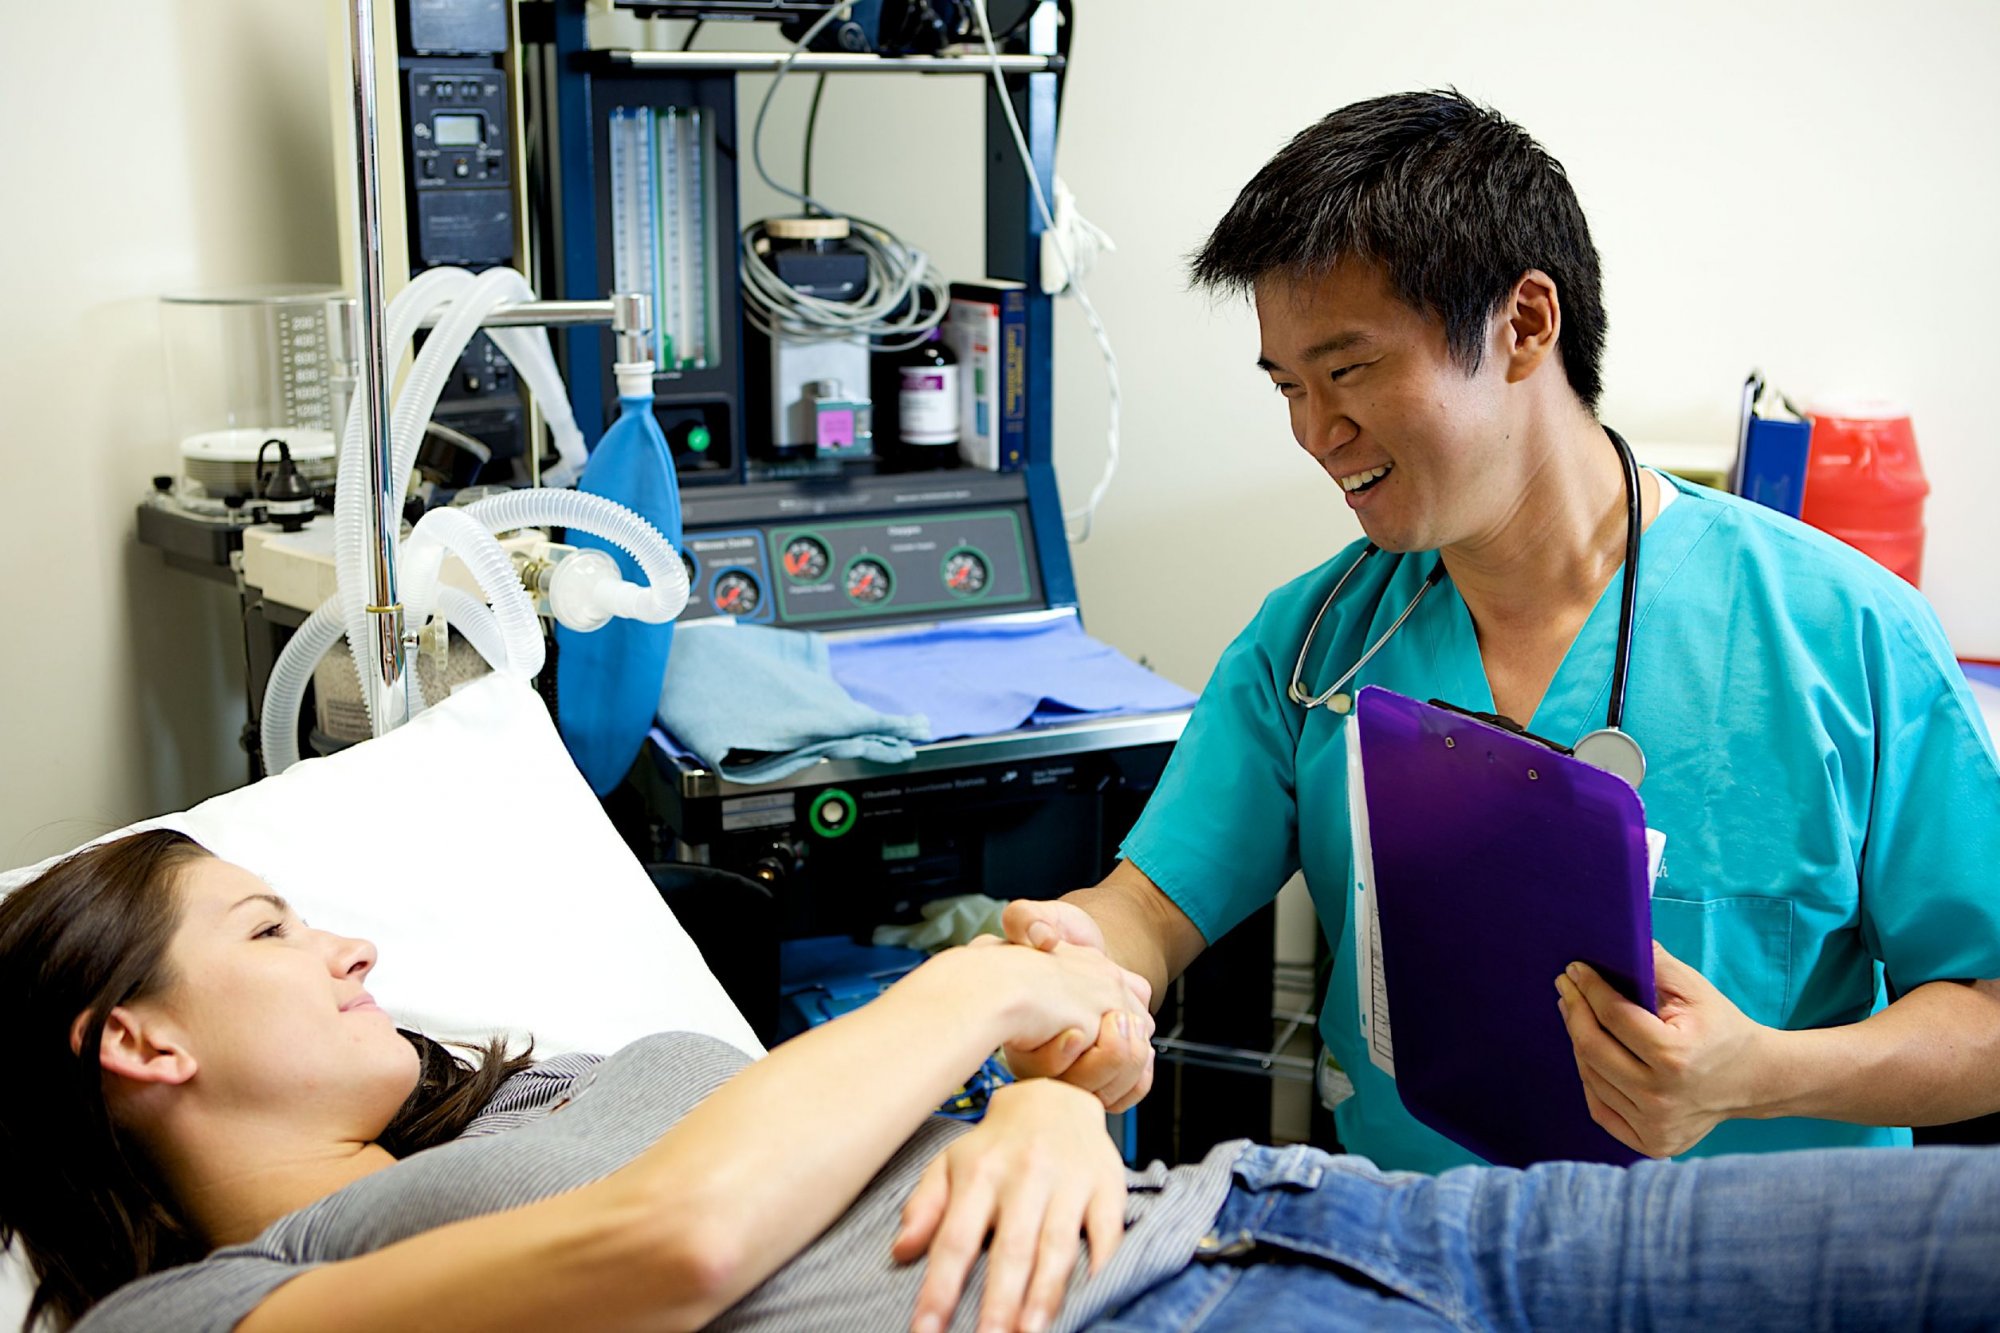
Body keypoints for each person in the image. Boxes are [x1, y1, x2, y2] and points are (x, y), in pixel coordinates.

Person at [1003, 88, 2000, 1173]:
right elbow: (1149, 906)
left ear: (1523, 324)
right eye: (1286, 385)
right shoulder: (1313, 647)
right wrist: (1079, 959)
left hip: (1754, 1263)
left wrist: (1764, 1072)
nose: (1313, 431)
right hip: (1409, 1254)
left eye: (1346, 371)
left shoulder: (1839, 636)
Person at [3, 831, 1999, 1333]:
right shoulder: (198, 1307)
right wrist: (979, 1007)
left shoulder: (532, 1091)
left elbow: (1082, 1034)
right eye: (269, 929)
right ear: (134, 1038)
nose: (349, 944)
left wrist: (1046, 1088)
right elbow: (682, 1242)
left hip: (1315, 1214)